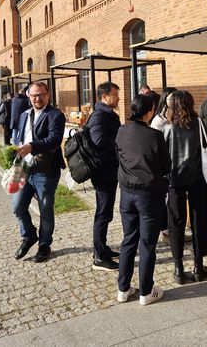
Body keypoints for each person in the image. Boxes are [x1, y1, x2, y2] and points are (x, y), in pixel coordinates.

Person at [115, 94, 171, 306]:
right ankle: (145, 292)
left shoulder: (121, 131)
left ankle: (123, 289)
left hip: (127, 193)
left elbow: (118, 156)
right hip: (148, 195)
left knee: (129, 240)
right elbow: (167, 166)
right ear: (148, 112)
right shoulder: (154, 136)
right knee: (147, 244)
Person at [161, 90, 207, 284]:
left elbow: (162, 155)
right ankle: (199, 266)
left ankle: (178, 267)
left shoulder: (167, 127)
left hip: (174, 180)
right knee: (199, 219)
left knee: (176, 221)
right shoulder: (198, 123)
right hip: (196, 177)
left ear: (173, 104)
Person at [12, 81, 66, 263]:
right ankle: (28, 236)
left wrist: (31, 146)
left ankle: (44, 245)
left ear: (48, 95)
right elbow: (20, 136)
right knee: (18, 206)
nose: (38, 98)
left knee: (45, 208)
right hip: (23, 167)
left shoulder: (55, 115)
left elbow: (54, 139)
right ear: (28, 95)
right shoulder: (24, 114)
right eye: (34, 95)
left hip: (45, 169)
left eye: (41, 94)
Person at [86, 81, 122, 271]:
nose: (118, 98)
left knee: (105, 212)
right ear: (104, 97)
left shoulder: (107, 115)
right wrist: (121, 143)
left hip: (109, 170)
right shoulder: (99, 116)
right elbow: (99, 140)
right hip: (103, 172)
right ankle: (99, 257)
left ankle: (103, 248)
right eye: (115, 94)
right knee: (102, 213)